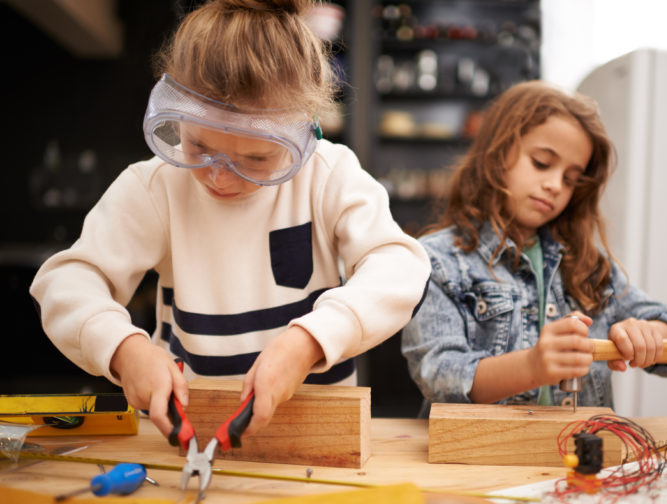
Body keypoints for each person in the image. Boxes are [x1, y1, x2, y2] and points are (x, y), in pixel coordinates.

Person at [30, 0, 430, 440]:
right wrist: (125, 350)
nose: (219, 176)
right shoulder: (158, 186)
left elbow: (399, 265)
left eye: (256, 157)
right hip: (188, 430)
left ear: (302, 130)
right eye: (200, 148)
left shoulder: (328, 175)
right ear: (178, 113)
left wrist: (309, 342)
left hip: (315, 434)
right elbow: (67, 280)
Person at [401, 80, 667, 413]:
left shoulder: (585, 263)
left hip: (575, 456)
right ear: (496, 154)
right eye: (541, 163)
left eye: (570, 179)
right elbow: (440, 376)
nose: (554, 185)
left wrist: (650, 332)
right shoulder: (437, 260)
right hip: (480, 459)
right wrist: (531, 367)